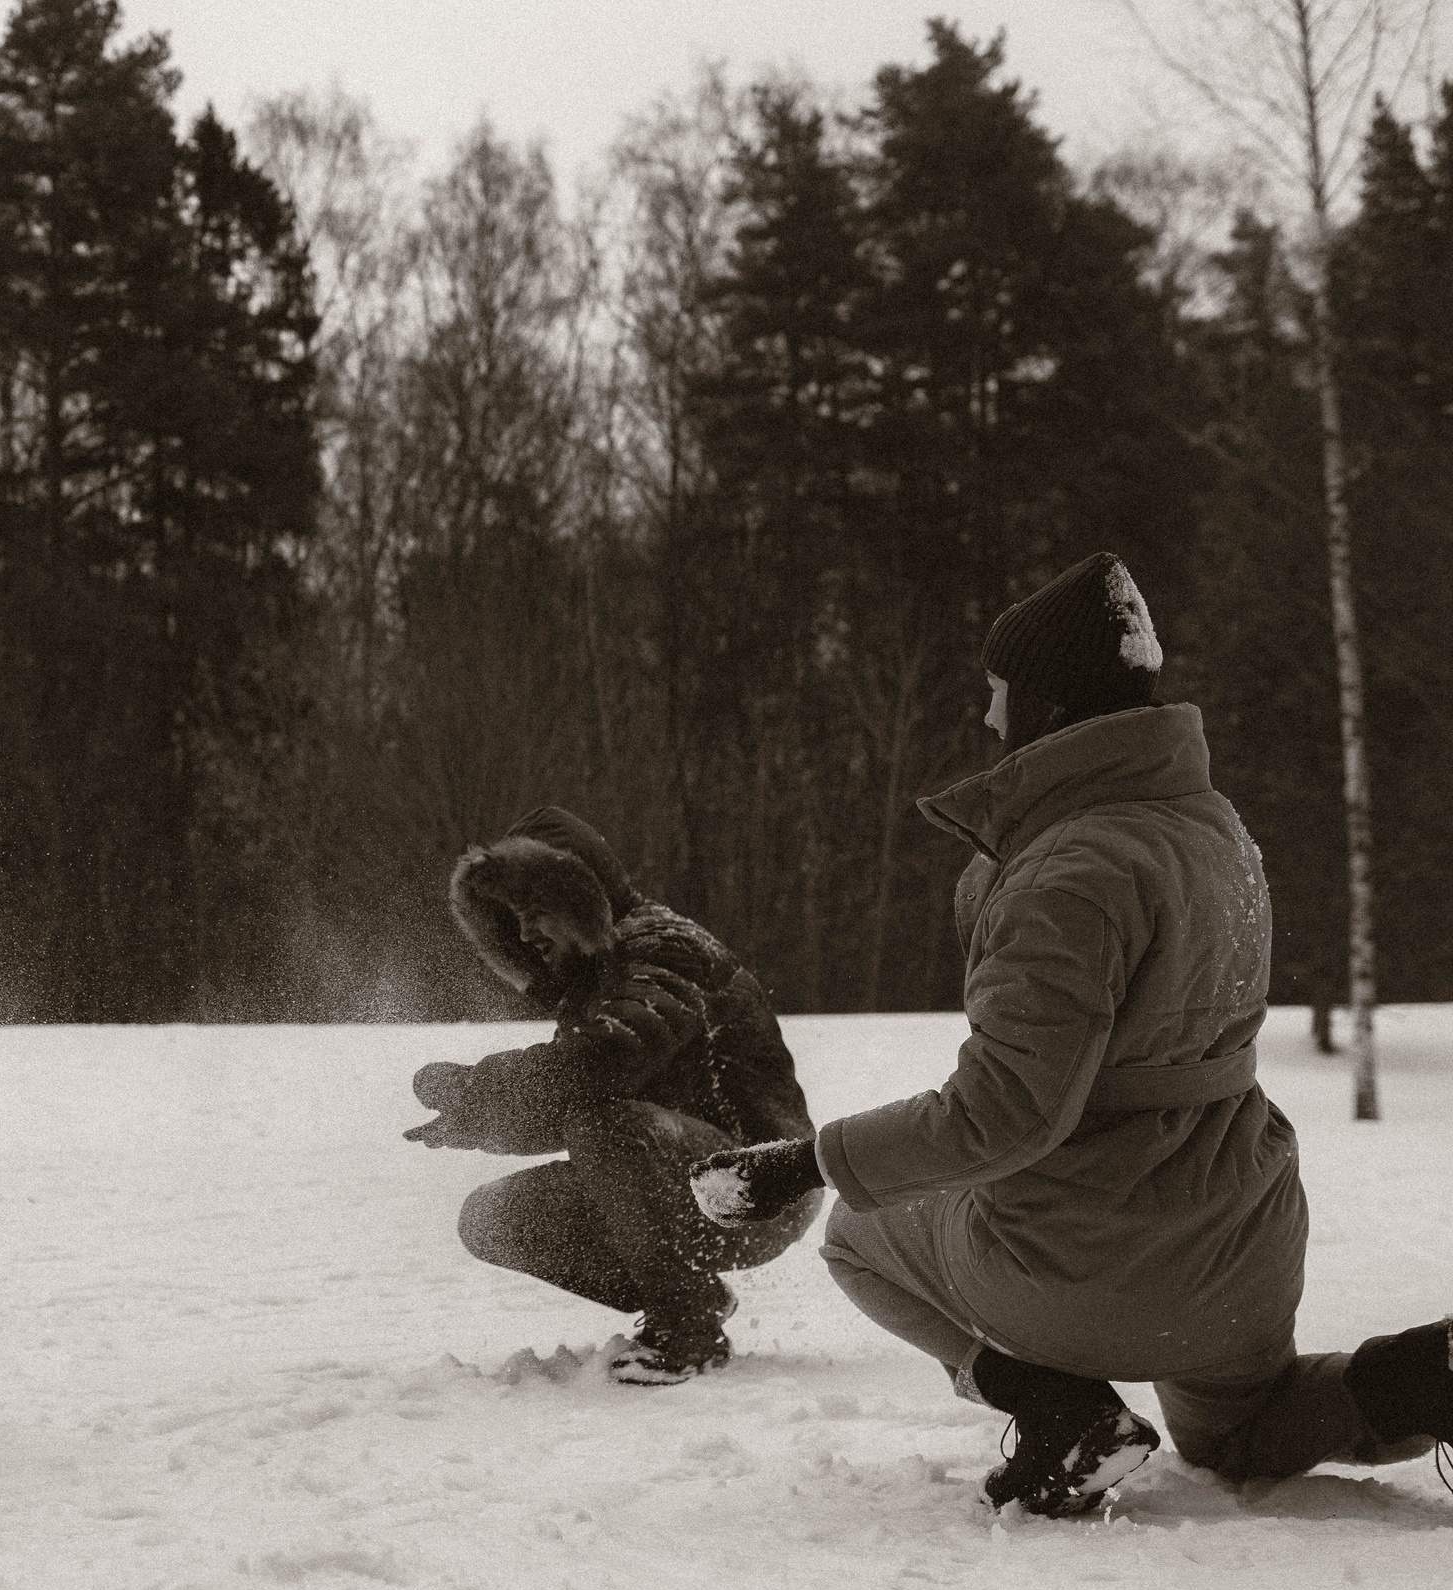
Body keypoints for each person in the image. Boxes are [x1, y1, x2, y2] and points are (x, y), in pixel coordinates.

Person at [692, 552, 1451, 1516]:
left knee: (856, 1232)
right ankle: (1422, 1378)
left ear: (1047, 706)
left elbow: (1002, 1113)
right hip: (1243, 1244)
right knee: (1244, 1436)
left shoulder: (1067, 873)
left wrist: (806, 1162)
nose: (987, 719)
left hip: (1080, 1261)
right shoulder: (1216, 828)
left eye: (999, 692)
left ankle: (1061, 1414)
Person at [407, 807, 825, 1383]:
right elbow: (576, 1095)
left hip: (759, 1184)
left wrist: (479, 1087)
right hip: (680, 1176)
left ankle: (689, 1332)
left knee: (601, 1126)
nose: (525, 934)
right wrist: (478, 1118)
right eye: (512, 919)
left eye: (535, 913)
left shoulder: (666, 949)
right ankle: (695, 1295)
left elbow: (606, 1060)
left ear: (579, 899)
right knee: (491, 1218)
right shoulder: (594, 979)